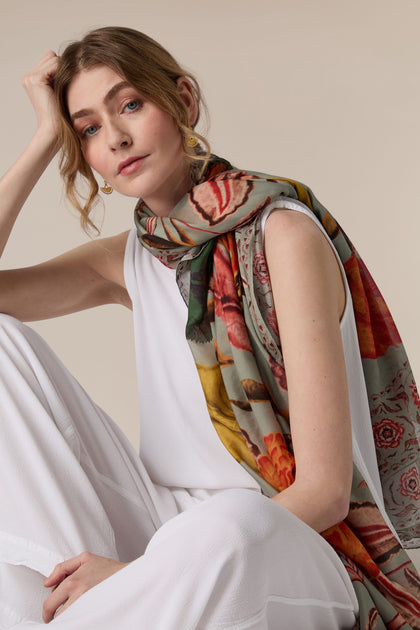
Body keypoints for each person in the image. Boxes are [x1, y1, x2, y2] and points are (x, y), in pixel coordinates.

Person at [0, 26, 418, 630]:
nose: (115, 137)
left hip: (288, 541)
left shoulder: (284, 234)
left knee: (229, 524)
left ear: (184, 102)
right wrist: (43, 137)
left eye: (130, 105)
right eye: (88, 128)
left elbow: (325, 492)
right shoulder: (129, 259)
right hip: (165, 526)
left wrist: (141, 573)